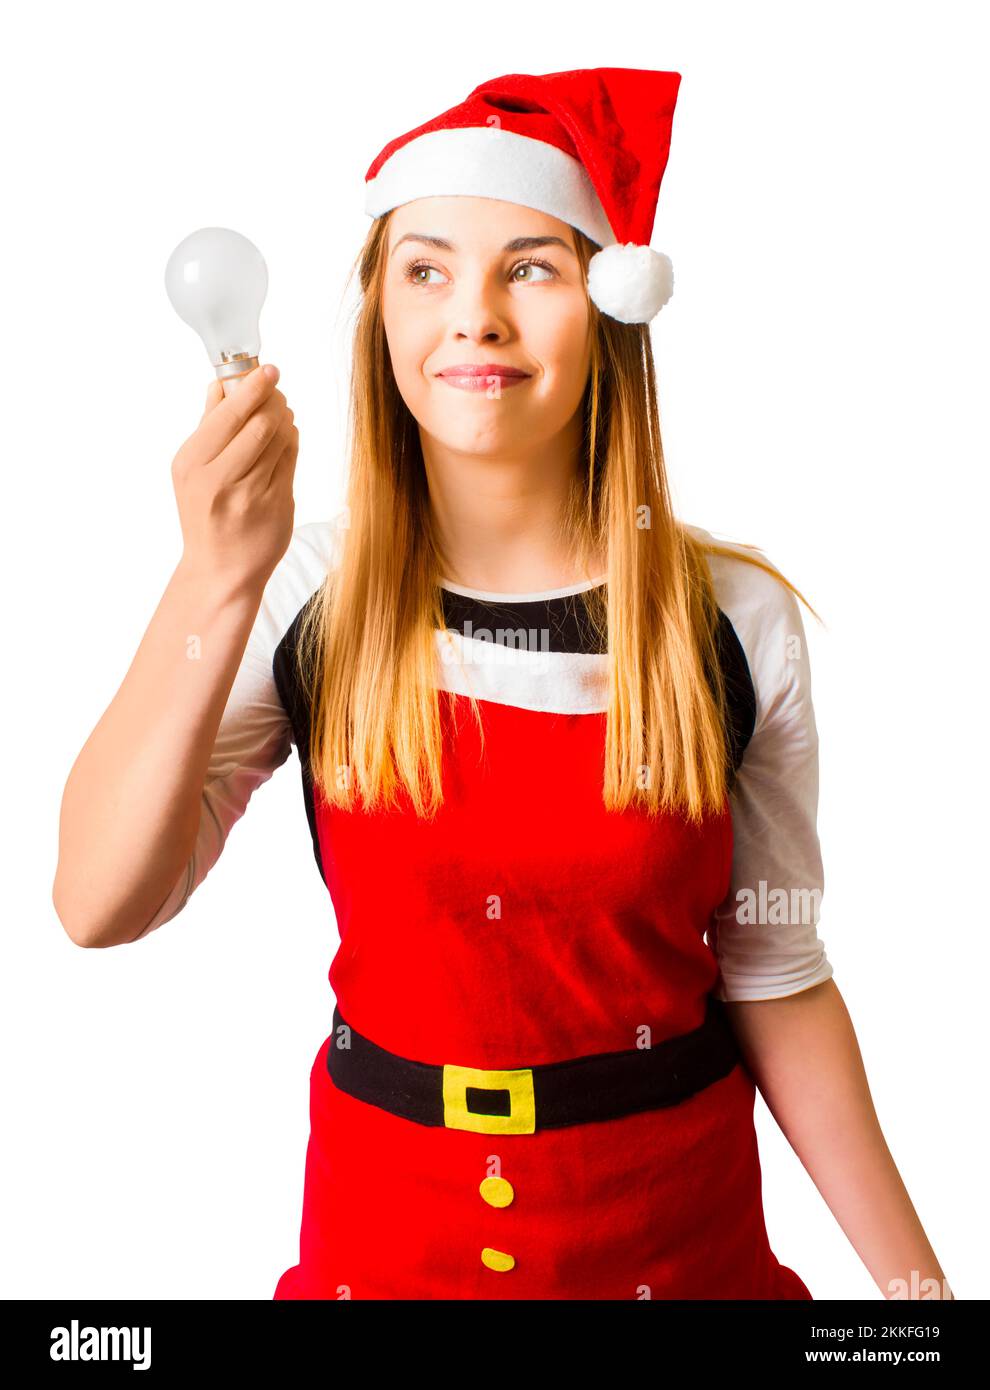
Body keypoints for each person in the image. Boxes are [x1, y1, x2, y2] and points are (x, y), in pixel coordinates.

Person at [53, 67, 954, 1301]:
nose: (472, 316)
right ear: (380, 313)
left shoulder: (738, 621)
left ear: (609, 309)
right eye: (426, 269)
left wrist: (922, 1305)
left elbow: (777, 975)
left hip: (680, 1261)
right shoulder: (295, 593)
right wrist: (212, 580)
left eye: (530, 266)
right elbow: (100, 901)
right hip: (387, 1254)